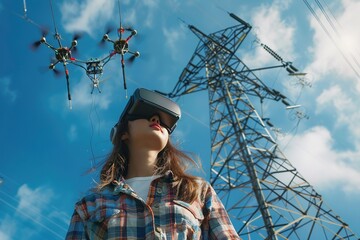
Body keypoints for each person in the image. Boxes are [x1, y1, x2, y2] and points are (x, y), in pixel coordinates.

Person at [66, 88, 240, 239]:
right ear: (123, 133)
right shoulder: (90, 205)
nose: (156, 119)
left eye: (164, 121)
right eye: (145, 113)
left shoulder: (197, 191)